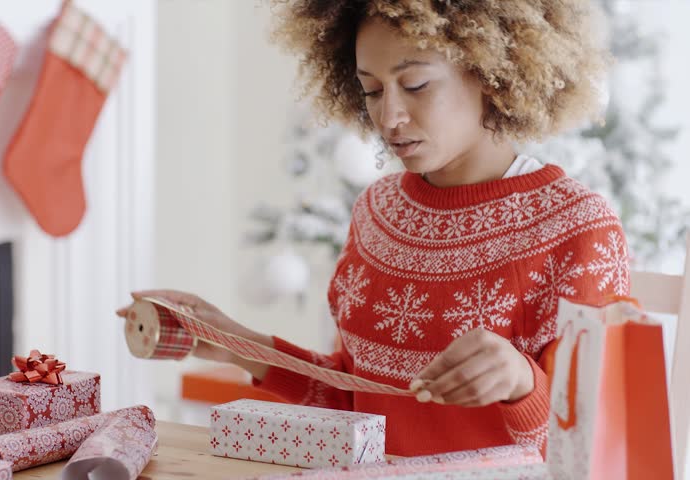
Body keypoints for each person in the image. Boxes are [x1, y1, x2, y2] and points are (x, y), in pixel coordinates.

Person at [118, 0, 629, 457]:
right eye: (371, 90)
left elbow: (597, 452)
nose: (390, 116)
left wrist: (522, 383)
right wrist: (235, 342)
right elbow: (354, 398)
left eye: (416, 85)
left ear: (492, 71)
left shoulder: (578, 229)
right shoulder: (378, 211)